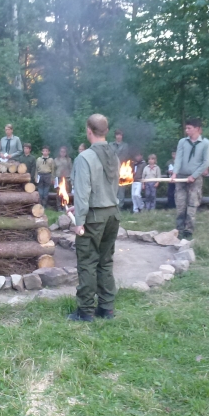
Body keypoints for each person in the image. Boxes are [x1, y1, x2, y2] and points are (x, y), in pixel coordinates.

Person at [69, 114, 121, 322]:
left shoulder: (85, 158)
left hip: (94, 217)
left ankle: (85, 311)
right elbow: (108, 188)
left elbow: (83, 192)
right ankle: (106, 308)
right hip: (112, 214)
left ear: (88, 130)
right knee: (105, 261)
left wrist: (79, 221)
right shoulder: (114, 155)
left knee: (87, 262)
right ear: (106, 131)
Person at [171, 118, 209, 240]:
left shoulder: (205, 143)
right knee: (180, 203)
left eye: (189, 128)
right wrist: (174, 173)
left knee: (192, 204)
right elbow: (178, 158)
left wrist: (194, 176)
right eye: (186, 128)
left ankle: (188, 231)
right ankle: (179, 229)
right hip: (181, 177)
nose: (187, 130)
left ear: (197, 129)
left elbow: (206, 162)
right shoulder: (182, 142)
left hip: (195, 178)